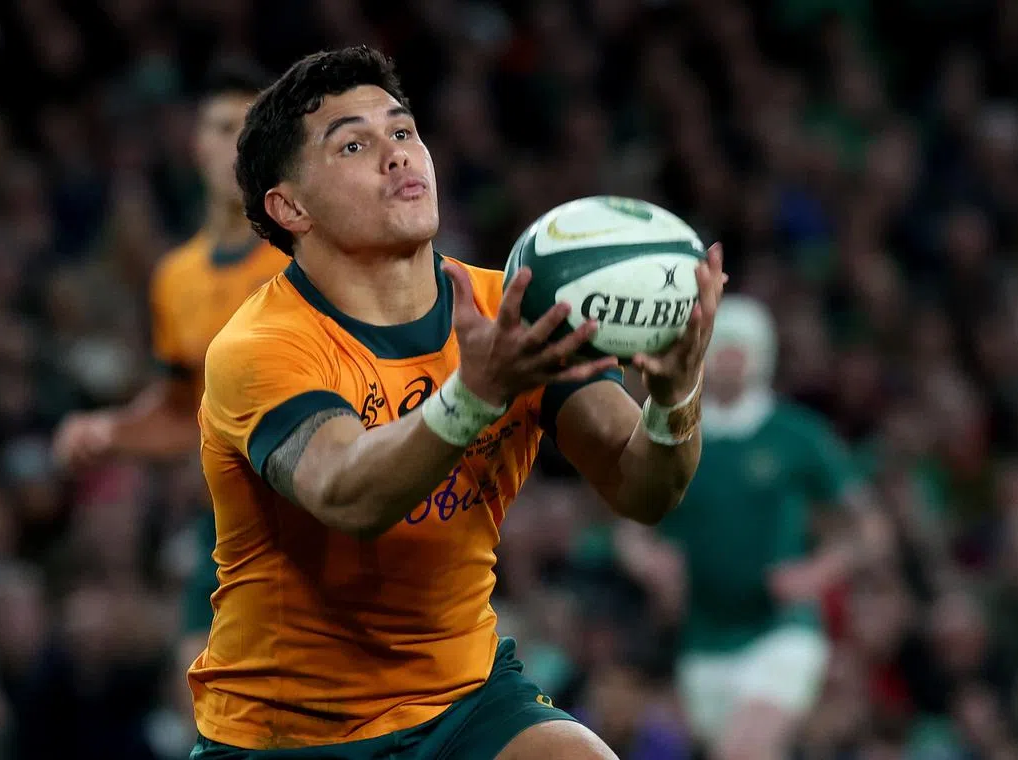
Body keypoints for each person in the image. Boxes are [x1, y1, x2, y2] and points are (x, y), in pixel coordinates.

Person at [186, 45, 726, 760]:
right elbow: (348, 495)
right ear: (291, 207)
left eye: (403, 132)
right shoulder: (259, 347)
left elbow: (645, 486)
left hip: (463, 702)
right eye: (354, 144)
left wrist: (673, 389)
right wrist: (476, 393)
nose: (397, 156)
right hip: (287, 734)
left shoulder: (516, 309)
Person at [50, 58, 285, 685]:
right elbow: (185, 412)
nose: (233, 144)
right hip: (230, 519)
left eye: (249, 128)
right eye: (218, 127)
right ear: (194, 145)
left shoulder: (308, 259)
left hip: (319, 506)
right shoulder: (176, 280)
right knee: (198, 681)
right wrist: (111, 433)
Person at [615, 295, 887, 760]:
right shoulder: (675, 438)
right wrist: (649, 563)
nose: (728, 361)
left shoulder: (796, 434)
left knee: (746, 749)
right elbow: (630, 529)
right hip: (703, 638)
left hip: (782, 629)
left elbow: (870, 528)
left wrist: (818, 574)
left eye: (740, 350)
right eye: (720, 349)